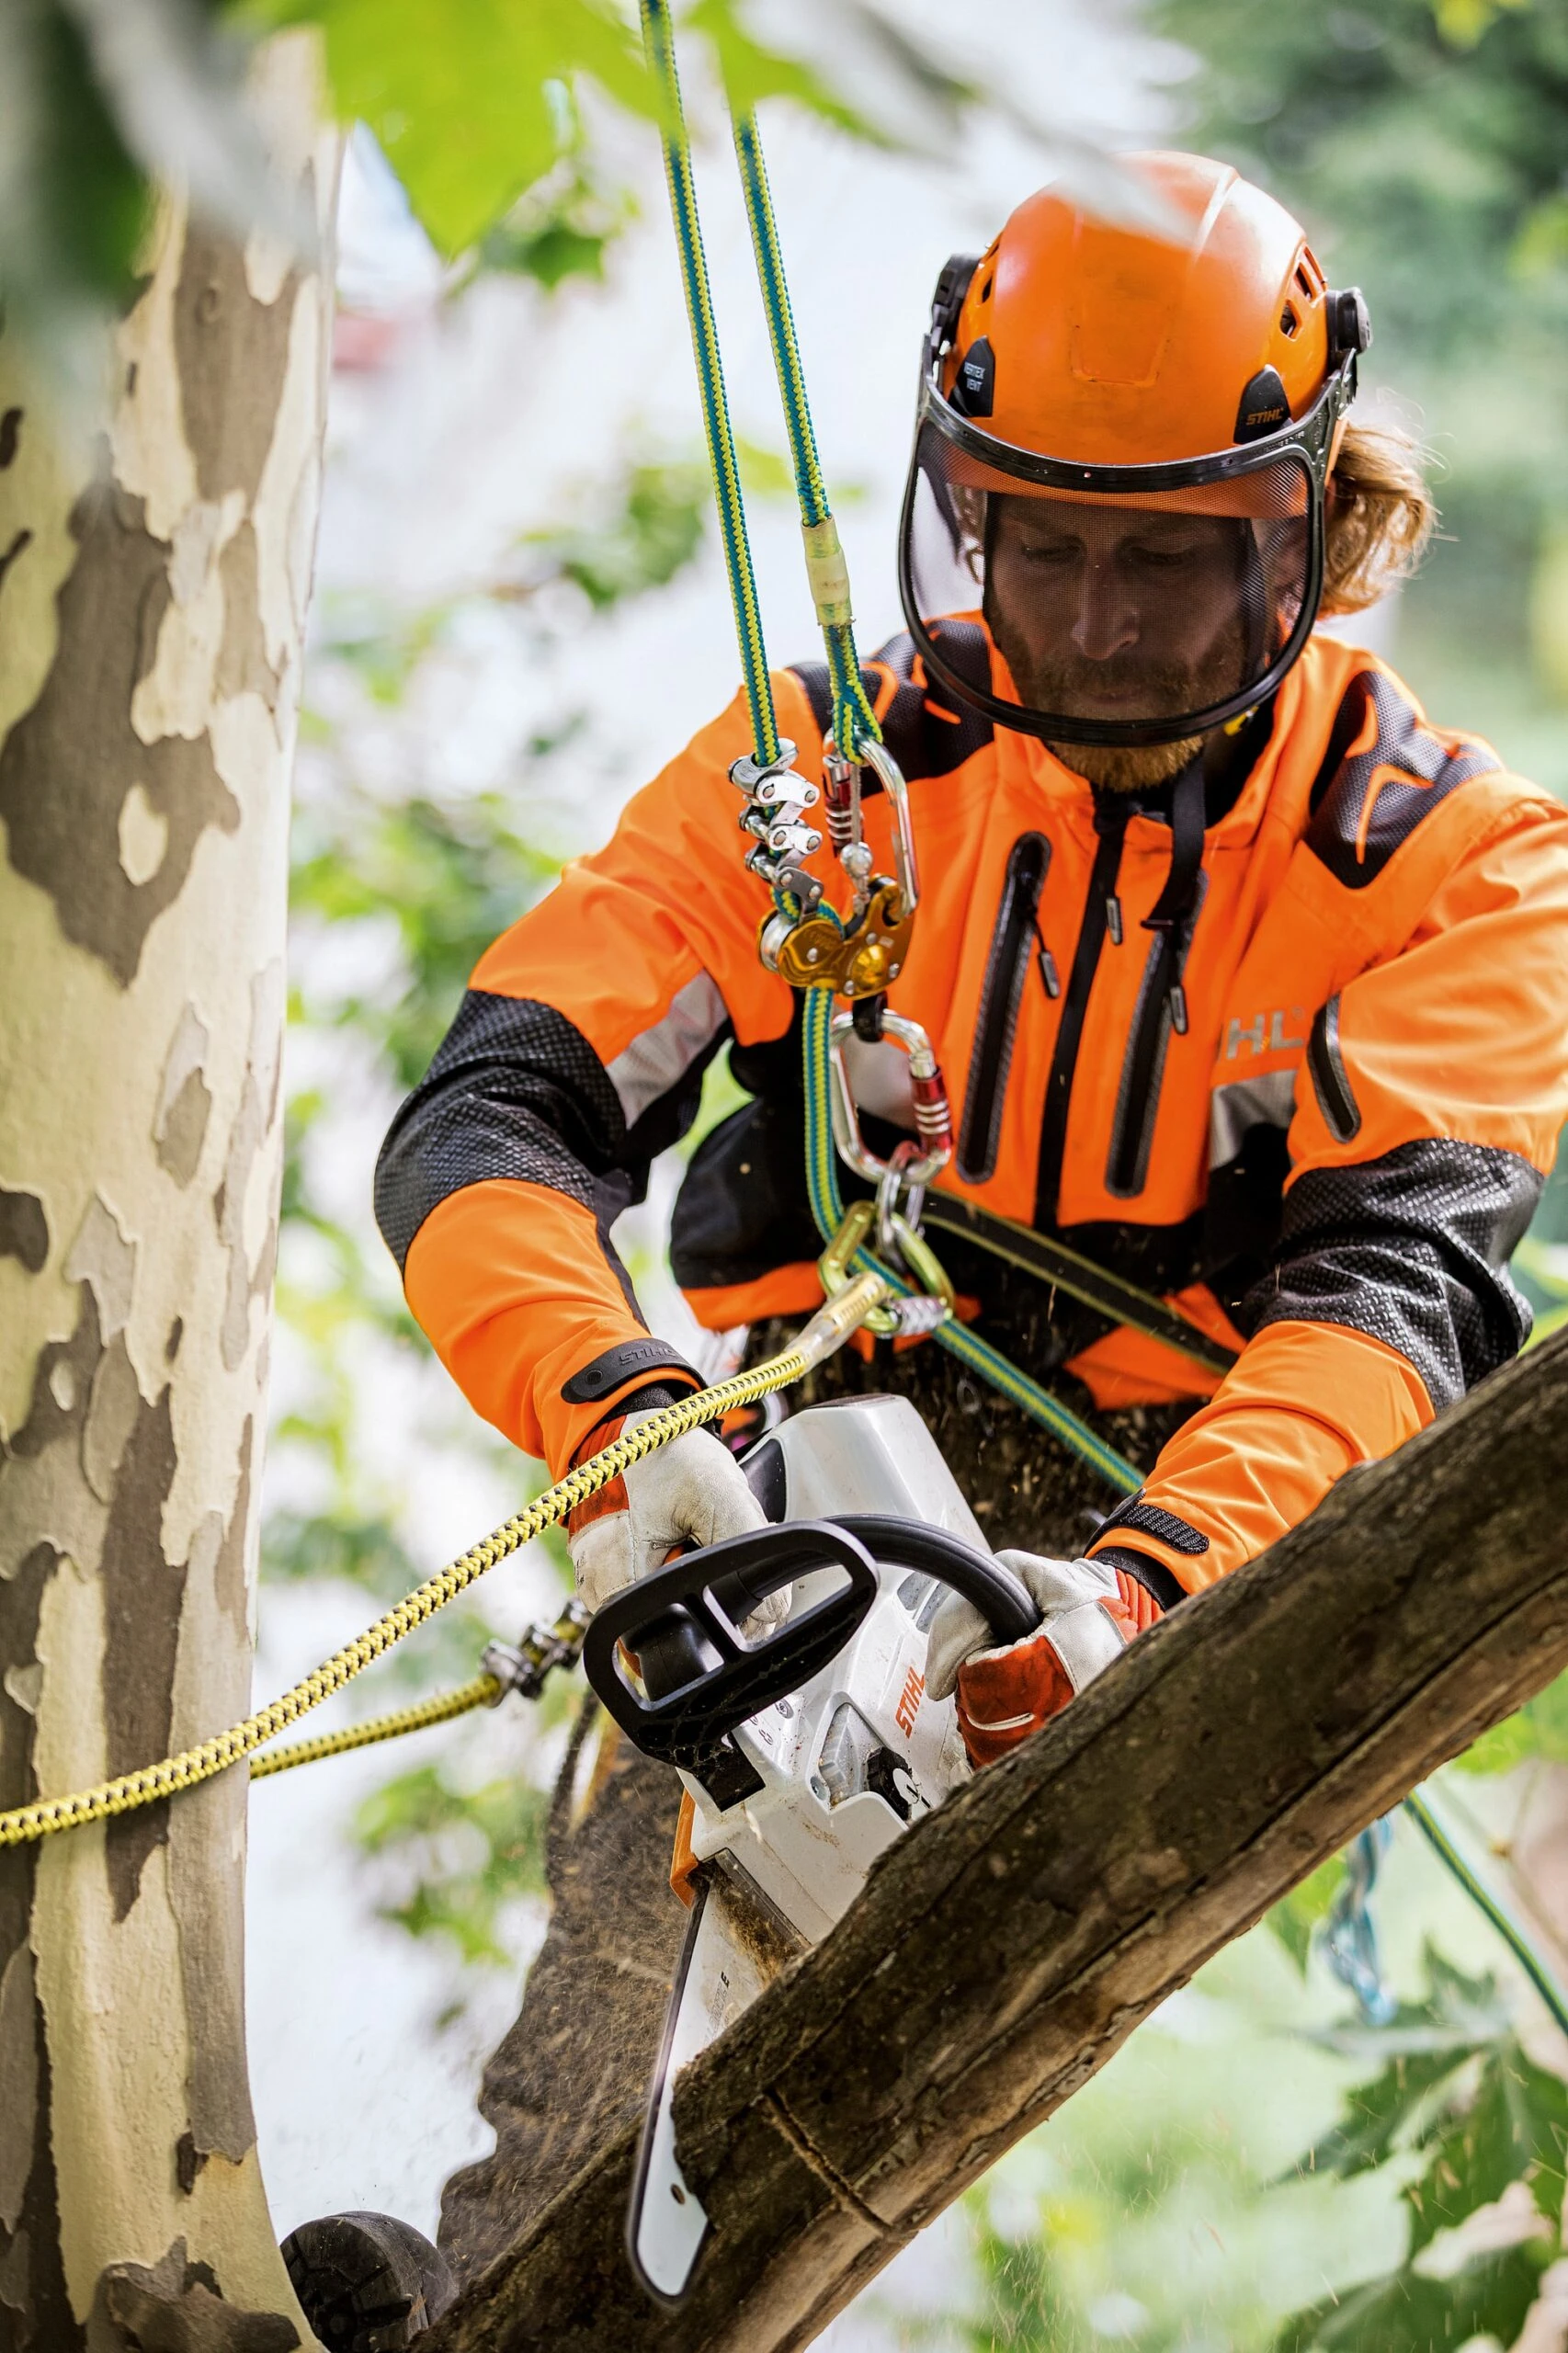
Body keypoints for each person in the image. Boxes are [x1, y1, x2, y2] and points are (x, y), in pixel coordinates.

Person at [375, 153, 1568, 1776]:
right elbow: (485, 1119)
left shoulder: (1462, 871)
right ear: (962, 514)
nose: (1094, 627)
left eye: (1163, 561)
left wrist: (1147, 1591)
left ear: (1308, 537)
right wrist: (622, 1420)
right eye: (1042, 546)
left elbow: (1391, 1299)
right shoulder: (818, 778)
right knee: (644, 1960)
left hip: (1181, 1508)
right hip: (789, 1454)